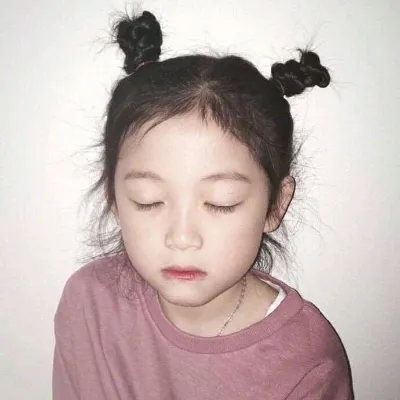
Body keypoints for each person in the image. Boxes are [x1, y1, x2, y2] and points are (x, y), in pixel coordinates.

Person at [52, 10, 353, 399]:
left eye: (220, 203)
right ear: (114, 198)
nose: (181, 237)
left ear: (276, 205)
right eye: (148, 200)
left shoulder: (305, 363)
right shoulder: (89, 302)